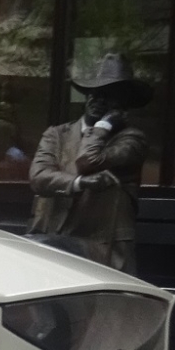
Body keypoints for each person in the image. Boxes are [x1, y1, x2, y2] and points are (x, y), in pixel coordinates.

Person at [29, 54, 153, 270]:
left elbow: (88, 160)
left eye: (109, 95)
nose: (99, 99)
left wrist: (103, 126)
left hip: (101, 252)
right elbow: (39, 177)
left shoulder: (132, 139)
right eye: (94, 93)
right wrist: (79, 183)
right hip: (50, 245)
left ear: (123, 103)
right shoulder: (57, 135)